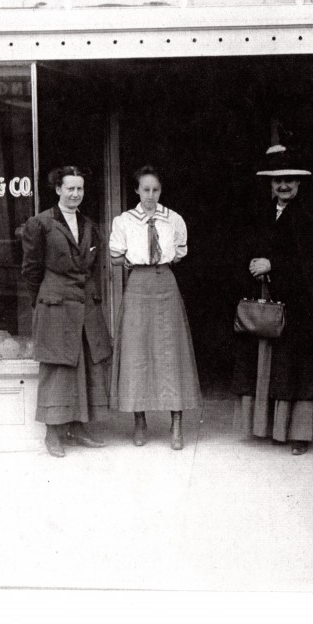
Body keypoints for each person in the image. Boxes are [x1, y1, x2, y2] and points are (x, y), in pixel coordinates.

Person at [232, 144, 313, 455]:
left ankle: (300, 434)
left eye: (289, 179)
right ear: (270, 184)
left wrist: (273, 265)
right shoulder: (262, 213)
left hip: (300, 307)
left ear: (299, 182)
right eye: (278, 180)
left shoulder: (310, 215)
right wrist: (252, 265)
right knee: (269, 365)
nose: (284, 185)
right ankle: (266, 428)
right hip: (268, 304)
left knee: (297, 369)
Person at [21, 166, 112, 458]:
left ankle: (78, 427)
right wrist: (43, 301)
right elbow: (31, 270)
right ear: (58, 189)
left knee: (84, 364)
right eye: (70, 188)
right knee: (57, 367)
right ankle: (52, 434)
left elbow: (94, 266)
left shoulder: (89, 225)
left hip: (84, 305)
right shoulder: (41, 223)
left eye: (80, 189)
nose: (75, 194)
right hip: (55, 305)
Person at [109, 165, 202, 449]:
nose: (150, 195)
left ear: (161, 191)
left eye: (155, 190)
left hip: (165, 283)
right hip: (138, 284)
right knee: (137, 351)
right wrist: (130, 260)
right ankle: (140, 420)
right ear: (136, 190)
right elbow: (115, 255)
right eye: (145, 189)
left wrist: (161, 263)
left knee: (172, 352)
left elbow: (181, 252)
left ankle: (177, 424)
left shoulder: (173, 219)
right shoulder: (124, 220)